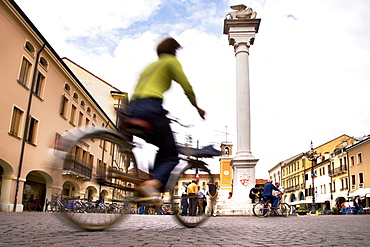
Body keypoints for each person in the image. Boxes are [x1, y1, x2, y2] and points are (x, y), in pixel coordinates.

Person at [123, 37, 206, 199]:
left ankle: (150, 184)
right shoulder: (171, 62)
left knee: (161, 145)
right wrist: (197, 107)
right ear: (174, 50)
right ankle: (152, 184)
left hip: (132, 109)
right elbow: (186, 86)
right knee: (171, 153)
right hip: (151, 108)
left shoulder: (150, 66)